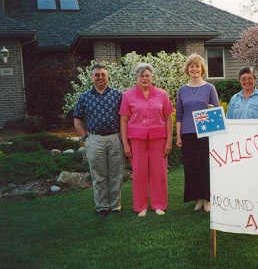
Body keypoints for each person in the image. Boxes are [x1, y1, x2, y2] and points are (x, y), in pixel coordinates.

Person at [119, 63, 174, 217]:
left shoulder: (162, 94)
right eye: (141, 75)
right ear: (136, 78)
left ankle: (159, 205)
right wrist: (125, 144)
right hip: (137, 139)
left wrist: (169, 141)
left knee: (159, 172)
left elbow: (168, 119)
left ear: (152, 77)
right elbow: (123, 121)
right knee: (139, 173)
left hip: (158, 138)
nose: (144, 78)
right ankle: (141, 206)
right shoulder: (128, 95)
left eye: (147, 75)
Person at [73, 63, 124, 217]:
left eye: (103, 74)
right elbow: (77, 118)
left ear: (107, 76)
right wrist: (85, 137)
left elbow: (125, 118)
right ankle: (102, 206)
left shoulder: (118, 95)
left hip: (115, 137)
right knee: (99, 175)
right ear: (92, 77)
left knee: (116, 174)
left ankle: (115, 205)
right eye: (97, 75)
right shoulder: (85, 97)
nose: (100, 77)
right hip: (94, 139)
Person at [176, 53, 219, 212]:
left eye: (197, 66)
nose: (194, 69)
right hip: (188, 133)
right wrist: (178, 135)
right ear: (188, 69)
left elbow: (216, 109)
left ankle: (208, 200)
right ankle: (198, 200)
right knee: (192, 167)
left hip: (205, 133)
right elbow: (179, 114)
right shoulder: (182, 90)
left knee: (205, 167)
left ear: (202, 69)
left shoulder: (209, 88)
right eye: (191, 66)